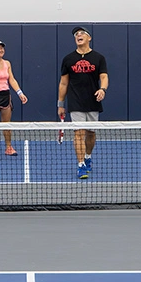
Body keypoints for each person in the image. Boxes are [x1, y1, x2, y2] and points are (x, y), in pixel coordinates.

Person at [58, 26, 108, 179]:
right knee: (78, 133)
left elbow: (104, 77)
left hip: (93, 101)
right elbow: (63, 83)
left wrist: (103, 90)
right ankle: (80, 165)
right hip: (75, 102)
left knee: (91, 133)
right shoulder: (68, 59)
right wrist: (61, 104)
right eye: (76, 35)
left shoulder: (99, 58)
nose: (78, 36)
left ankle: (87, 156)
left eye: (82, 34)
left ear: (89, 38)